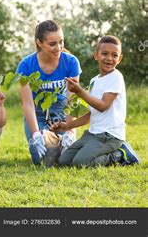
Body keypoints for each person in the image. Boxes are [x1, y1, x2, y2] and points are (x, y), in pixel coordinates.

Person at [52, 36, 141, 167]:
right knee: (64, 161)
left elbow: (103, 106)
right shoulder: (94, 81)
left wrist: (80, 91)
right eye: (105, 54)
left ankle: (118, 155)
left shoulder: (116, 77)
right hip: (93, 134)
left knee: (80, 163)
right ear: (96, 55)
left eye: (114, 55)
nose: (109, 58)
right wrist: (67, 126)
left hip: (110, 136)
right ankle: (102, 151)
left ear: (119, 59)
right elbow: (93, 113)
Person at [16, 20, 81, 165]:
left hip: (61, 113)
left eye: (61, 42)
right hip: (38, 112)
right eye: (52, 44)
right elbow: (28, 104)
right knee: (42, 159)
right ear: (39, 43)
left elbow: (72, 100)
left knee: (67, 158)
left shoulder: (71, 62)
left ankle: (58, 142)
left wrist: (70, 131)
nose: (58, 48)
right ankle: (48, 141)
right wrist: (35, 134)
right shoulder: (26, 66)